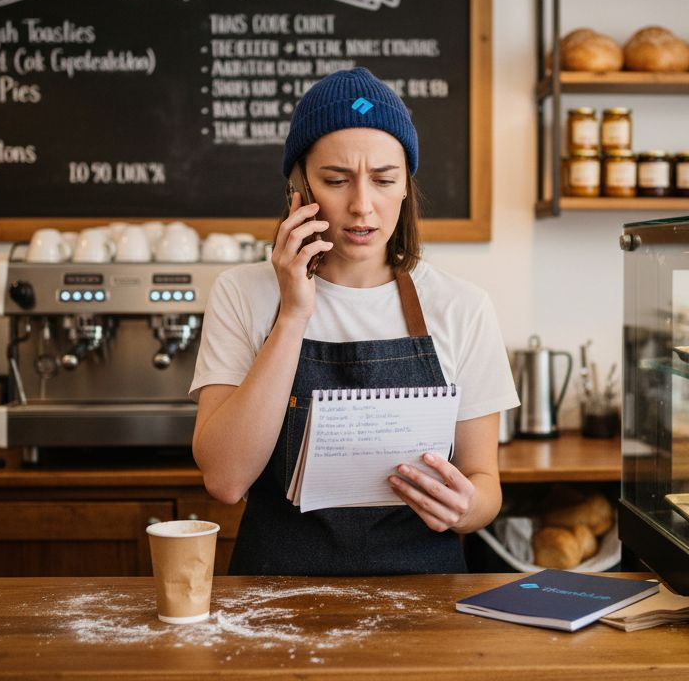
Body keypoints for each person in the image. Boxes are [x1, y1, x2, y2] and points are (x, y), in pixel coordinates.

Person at [190, 67, 519, 576]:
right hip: (275, 593)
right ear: (299, 185)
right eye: (336, 180)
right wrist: (293, 314)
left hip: (422, 592)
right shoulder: (242, 293)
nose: (362, 206)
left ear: (405, 187)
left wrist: (465, 508)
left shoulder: (462, 306)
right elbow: (225, 480)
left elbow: (485, 484)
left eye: (384, 180)